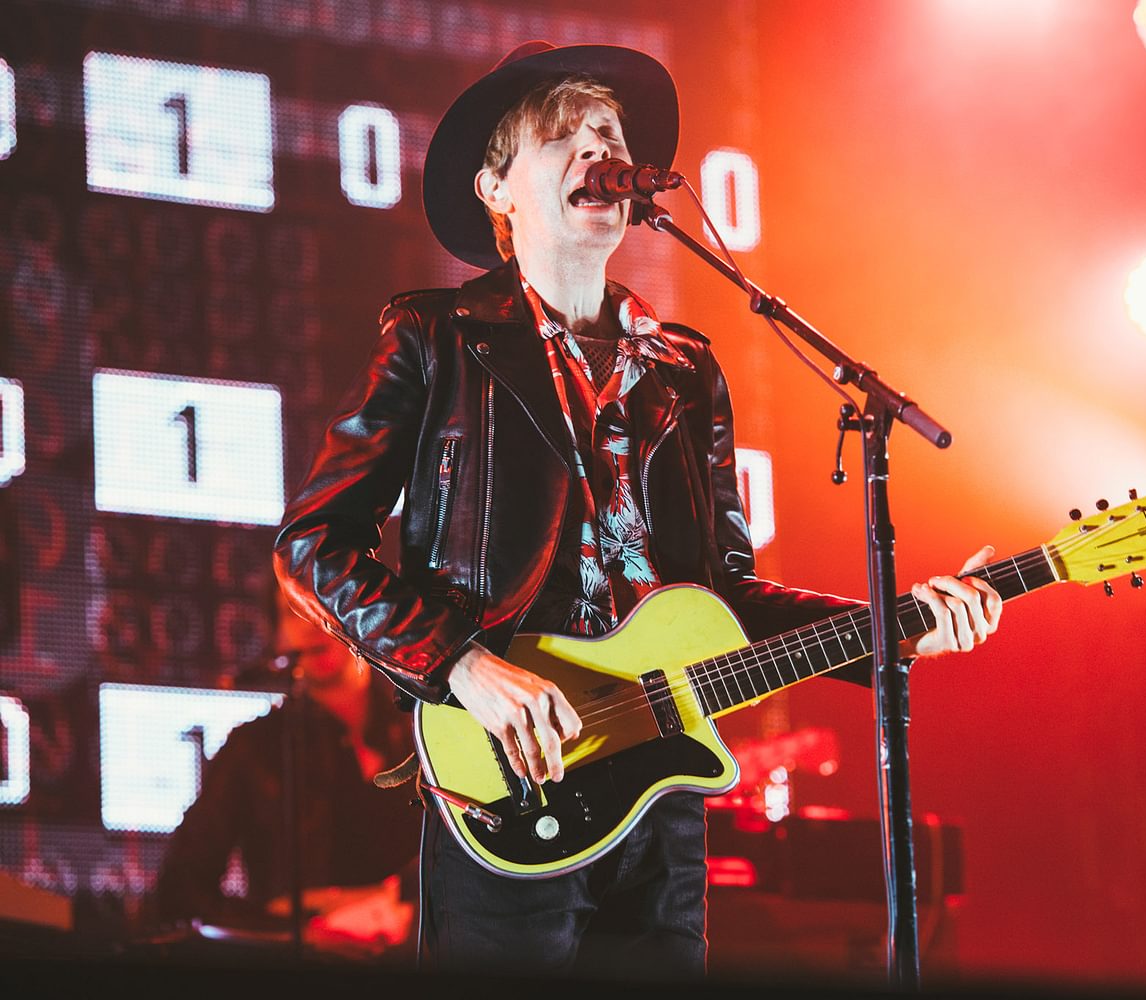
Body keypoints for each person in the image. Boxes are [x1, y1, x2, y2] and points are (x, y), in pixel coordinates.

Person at [272, 40, 1003, 979]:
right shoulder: (435, 339)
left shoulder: (685, 370)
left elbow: (724, 603)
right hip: (508, 774)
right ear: (497, 189)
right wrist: (461, 667)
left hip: (661, 798)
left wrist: (900, 629)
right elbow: (311, 544)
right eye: (563, 137)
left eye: (609, 135)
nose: (597, 152)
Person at [149, 596, 421, 961]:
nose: (310, 622)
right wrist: (295, 934)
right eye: (293, 611)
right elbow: (180, 889)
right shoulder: (253, 746)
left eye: (324, 601)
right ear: (277, 635)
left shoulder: (419, 734)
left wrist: (395, 905)